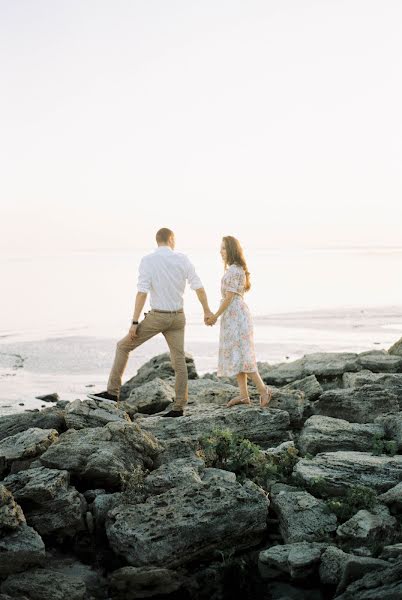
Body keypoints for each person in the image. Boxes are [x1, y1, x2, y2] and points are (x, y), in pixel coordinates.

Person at [88, 228, 213, 417]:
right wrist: (206, 311)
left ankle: (112, 393)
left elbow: (142, 292)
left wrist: (134, 322)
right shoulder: (183, 259)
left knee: (123, 347)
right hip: (178, 317)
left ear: (158, 240)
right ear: (171, 239)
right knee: (179, 361)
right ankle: (179, 407)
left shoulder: (148, 260)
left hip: (158, 317)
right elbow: (199, 287)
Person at [205, 235, 273, 408]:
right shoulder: (234, 269)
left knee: (244, 355)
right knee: (237, 356)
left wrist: (215, 315)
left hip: (236, 316)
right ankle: (244, 396)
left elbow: (229, 297)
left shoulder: (235, 270)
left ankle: (264, 391)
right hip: (233, 316)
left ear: (232, 250)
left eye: (224, 248)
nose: (220, 252)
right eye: (220, 248)